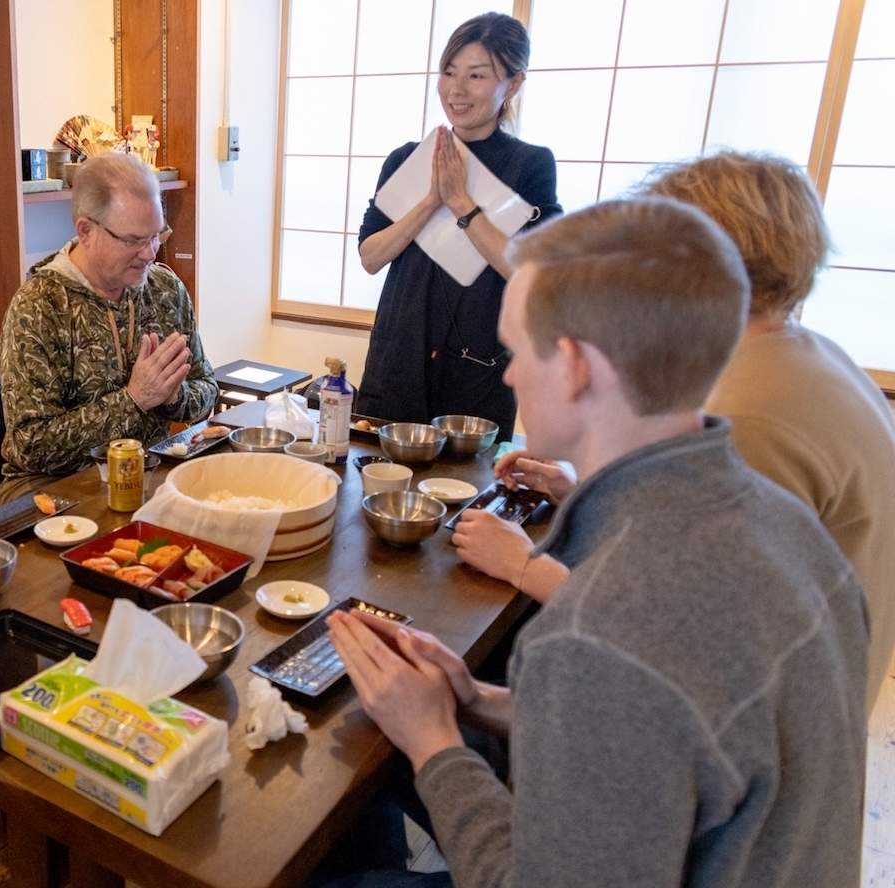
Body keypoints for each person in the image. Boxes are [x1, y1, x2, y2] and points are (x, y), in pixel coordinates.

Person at [328, 198, 867, 886]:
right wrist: (473, 702)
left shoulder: (597, 633)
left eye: (518, 350)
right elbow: (667, 726)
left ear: (577, 367)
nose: (510, 375)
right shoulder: (791, 527)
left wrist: (434, 741)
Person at [455, 152, 895, 716]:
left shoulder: (743, 410)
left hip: (764, 729)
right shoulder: (804, 354)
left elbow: (674, 642)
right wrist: (581, 491)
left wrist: (521, 565)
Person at [354, 12, 560, 439]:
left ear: (514, 83)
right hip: (398, 359)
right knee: (374, 490)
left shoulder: (530, 165)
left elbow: (531, 273)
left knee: (466, 496)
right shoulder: (407, 158)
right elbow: (370, 257)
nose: (457, 89)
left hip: (476, 369)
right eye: (449, 73)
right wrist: (431, 200)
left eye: (477, 75)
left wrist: (462, 203)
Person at [0, 152, 217, 501]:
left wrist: (175, 396)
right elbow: (32, 445)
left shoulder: (165, 290)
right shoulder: (40, 306)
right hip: (54, 488)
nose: (150, 254)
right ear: (86, 231)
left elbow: (206, 390)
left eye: (156, 236)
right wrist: (134, 400)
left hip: (148, 471)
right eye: (133, 241)